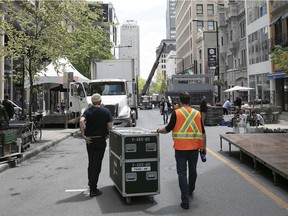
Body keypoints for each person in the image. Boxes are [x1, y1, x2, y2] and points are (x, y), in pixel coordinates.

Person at [152, 91, 206, 210]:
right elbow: (202, 132)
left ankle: (185, 200)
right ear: (190, 101)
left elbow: (167, 129)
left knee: (181, 173)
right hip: (194, 148)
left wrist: (156, 131)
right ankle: (190, 190)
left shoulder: (176, 113)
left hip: (180, 149)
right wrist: (204, 149)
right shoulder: (197, 114)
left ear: (180, 101)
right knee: (193, 171)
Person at [80, 93, 113, 197]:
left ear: (92, 102)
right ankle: (93, 189)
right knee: (97, 164)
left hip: (90, 140)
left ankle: (91, 182)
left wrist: (83, 135)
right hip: (100, 140)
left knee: (91, 162)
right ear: (100, 101)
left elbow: (81, 121)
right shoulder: (106, 111)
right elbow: (110, 126)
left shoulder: (88, 111)